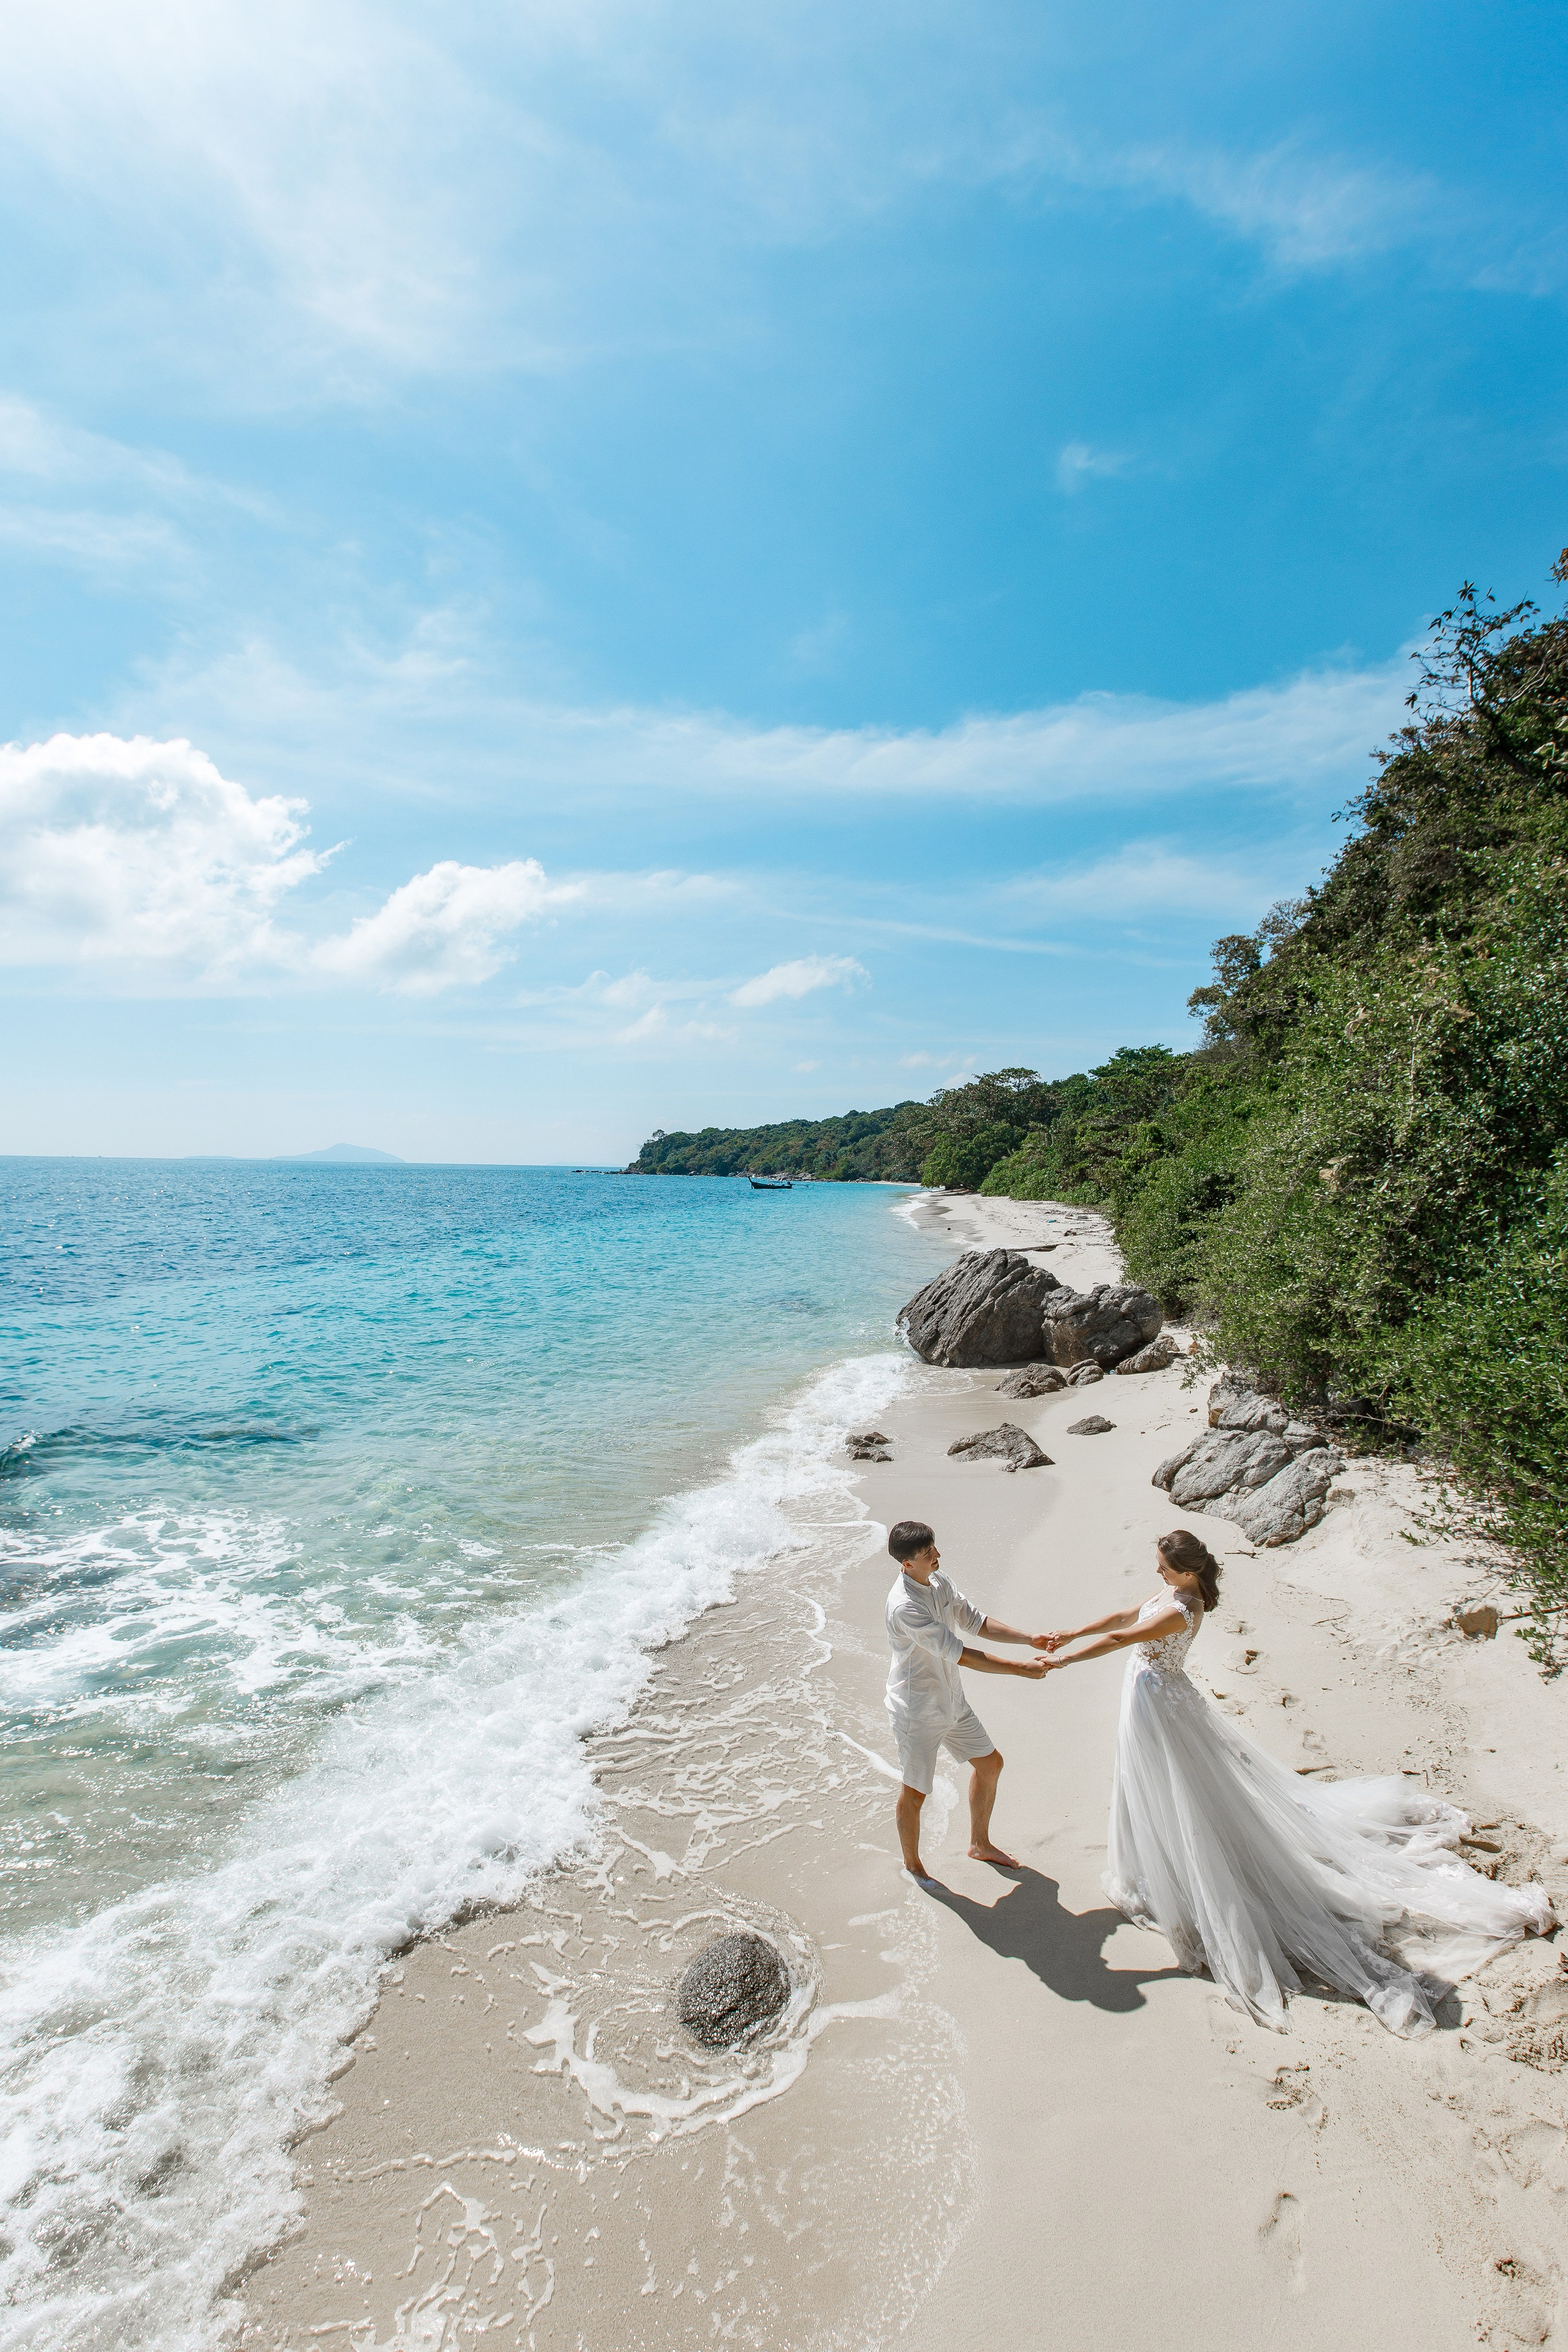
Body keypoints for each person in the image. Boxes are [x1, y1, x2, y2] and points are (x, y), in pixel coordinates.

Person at [1038, 1528, 1555, 2035]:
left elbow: (1125, 1637)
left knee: (1174, 1789)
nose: (1157, 1571)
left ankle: (1190, 1874)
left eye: (1165, 1566)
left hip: (1159, 1706)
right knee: (1149, 1785)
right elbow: (1126, 1616)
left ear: (1190, 1572)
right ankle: (1155, 1866)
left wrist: (1062, 1659)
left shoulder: (1183, 1609)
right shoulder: (1176, 1592)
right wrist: (1072, 1631)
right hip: (1151, 1694)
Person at [884, 1518, 1050, 1881]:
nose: (937, 1555)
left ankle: (979, 1844)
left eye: (934, 1548)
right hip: (918, 1711)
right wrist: (1021, 1670)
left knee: (991, 1765)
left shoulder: (939, 1580)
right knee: (915, 1793)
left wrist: (1030, 1639)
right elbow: (957, 1652)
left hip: (953, 1701)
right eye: (928, 1554)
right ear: (906, 1563)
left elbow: (975, 1621)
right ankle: (913, 1866)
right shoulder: (904, 1607)